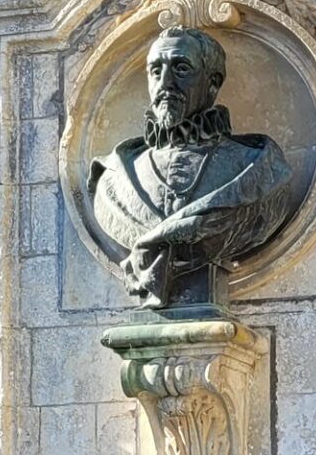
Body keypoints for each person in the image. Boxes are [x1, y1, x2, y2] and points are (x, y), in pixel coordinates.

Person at [90, 26, 294, 308]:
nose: (165, 83)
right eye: (155, 71)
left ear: (213, 82)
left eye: (181, 69)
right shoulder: (115, 179)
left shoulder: (255, 168)